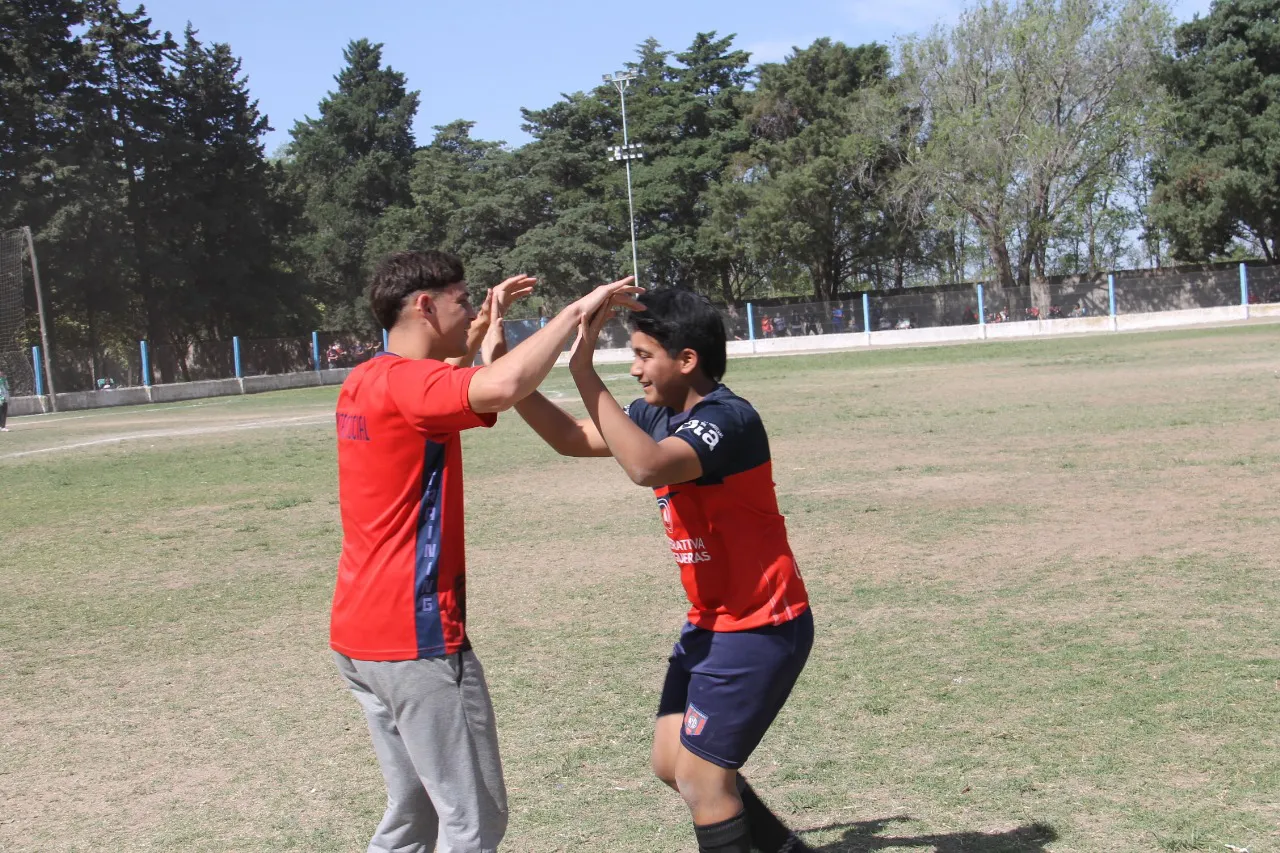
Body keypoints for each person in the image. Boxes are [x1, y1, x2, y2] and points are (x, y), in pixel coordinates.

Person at [330, 249, 640, 853]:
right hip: (415, 638)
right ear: (425, 305)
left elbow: (448, 384)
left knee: (414, 814)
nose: (471, 307)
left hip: (360, 636)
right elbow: (501, 386)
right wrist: (574, 312)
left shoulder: (367, 378)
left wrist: (476, 335)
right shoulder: (408, 385)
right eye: (462, 299)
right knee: (473, 820)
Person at [496, 289, 815, 853]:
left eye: (644, 354)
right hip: (712, 624)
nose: (634, 366)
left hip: (762, 624)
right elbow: (572, 439)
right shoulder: (658, 414)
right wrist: (510, 379)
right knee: (671, 763)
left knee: (703, 779)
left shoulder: (728, 419)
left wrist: (581, 367)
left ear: (686, 359)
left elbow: (645, 466)